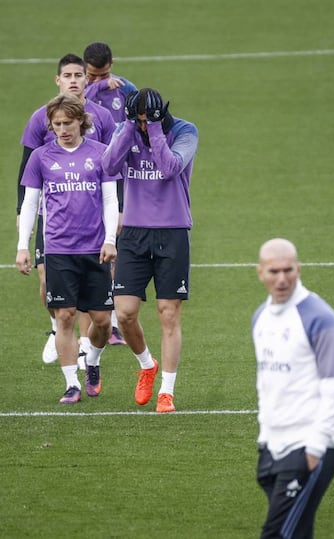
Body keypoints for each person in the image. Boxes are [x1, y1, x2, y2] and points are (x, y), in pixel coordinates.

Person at [16, 94, 118, 404]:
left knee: (101, 320)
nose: (62, 129)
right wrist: (23, 246)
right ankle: (72, 383)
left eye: (67, 123)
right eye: (57, 124)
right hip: (58, 249)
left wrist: (111, 239)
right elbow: (31, 202)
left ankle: (94, 361)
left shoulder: (101, 153)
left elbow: (111, 200)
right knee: (65, 317)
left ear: (81, 122)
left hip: (94, 248)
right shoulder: (41, 157)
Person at [102, 87, 198, 413]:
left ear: (159, 116)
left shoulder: (185, 131)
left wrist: (155, 128)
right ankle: (146, 364)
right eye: (138, 121)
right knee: (126, 312)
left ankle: (166, 393)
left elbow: (170, 167)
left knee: (168, 314)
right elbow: (108, 165)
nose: (143, 127)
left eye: (147, 121)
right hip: (134, 233)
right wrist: (128, 127)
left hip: (173, 232)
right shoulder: (127, 130)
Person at [251, 238, 334, 538]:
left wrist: (315, 448)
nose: (282, 279)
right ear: (260, 273)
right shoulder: (261, 318)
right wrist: (265, 438)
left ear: (298, 269)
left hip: (308, 445)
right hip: (273, 446)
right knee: (297, 531)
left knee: (277, 533)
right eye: (274, 271)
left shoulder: (321, 319)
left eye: (288, 270)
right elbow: (267, 383)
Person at [83, 41, 138, 346]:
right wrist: (96, 87)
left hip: (118, 174)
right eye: (91, 74)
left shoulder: (124, 87)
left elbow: (143, 107)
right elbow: (75, 100)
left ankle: (113, 317)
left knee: (114, 237)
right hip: (88, 172)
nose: (95, 79)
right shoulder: (84, 88)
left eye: (102, 74)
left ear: (112, 64)